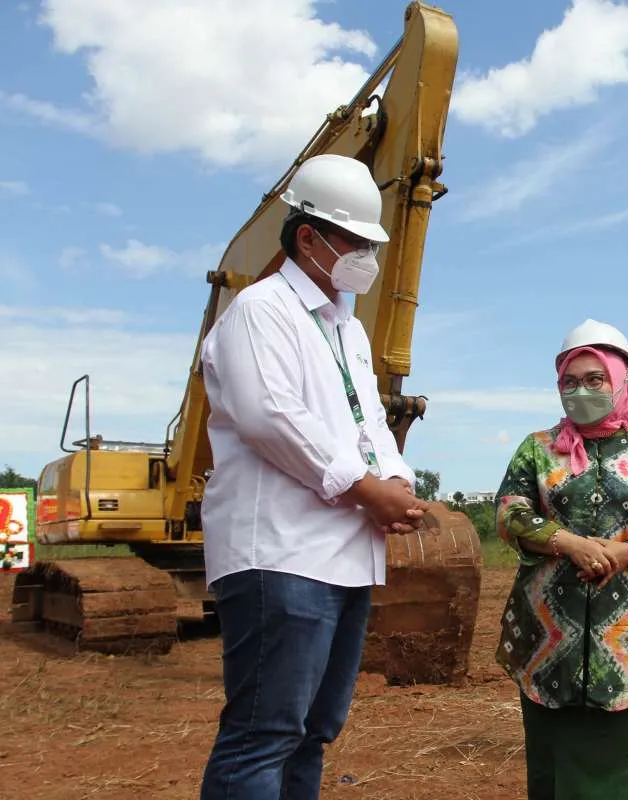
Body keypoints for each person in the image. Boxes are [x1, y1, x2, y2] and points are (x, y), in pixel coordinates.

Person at [199, 153, 430, 799]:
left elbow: (368, 425)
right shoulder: (260, 310)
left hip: (344, 557)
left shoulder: (347, 328)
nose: (368, 258)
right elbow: (269, 417)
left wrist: (397, 480)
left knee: (312, 733)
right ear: (308, 236)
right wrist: (365, 490)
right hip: (280, 553)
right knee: (263, 735)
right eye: (357, 241)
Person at [494, 319, 628, 799]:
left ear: (623, 381)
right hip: (548, 642)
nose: (581, 391)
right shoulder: (536, 450)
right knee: (555, 766)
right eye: (570, 381)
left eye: (595, 379)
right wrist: (569, 542)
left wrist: (627, 552)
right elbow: (509, 513)